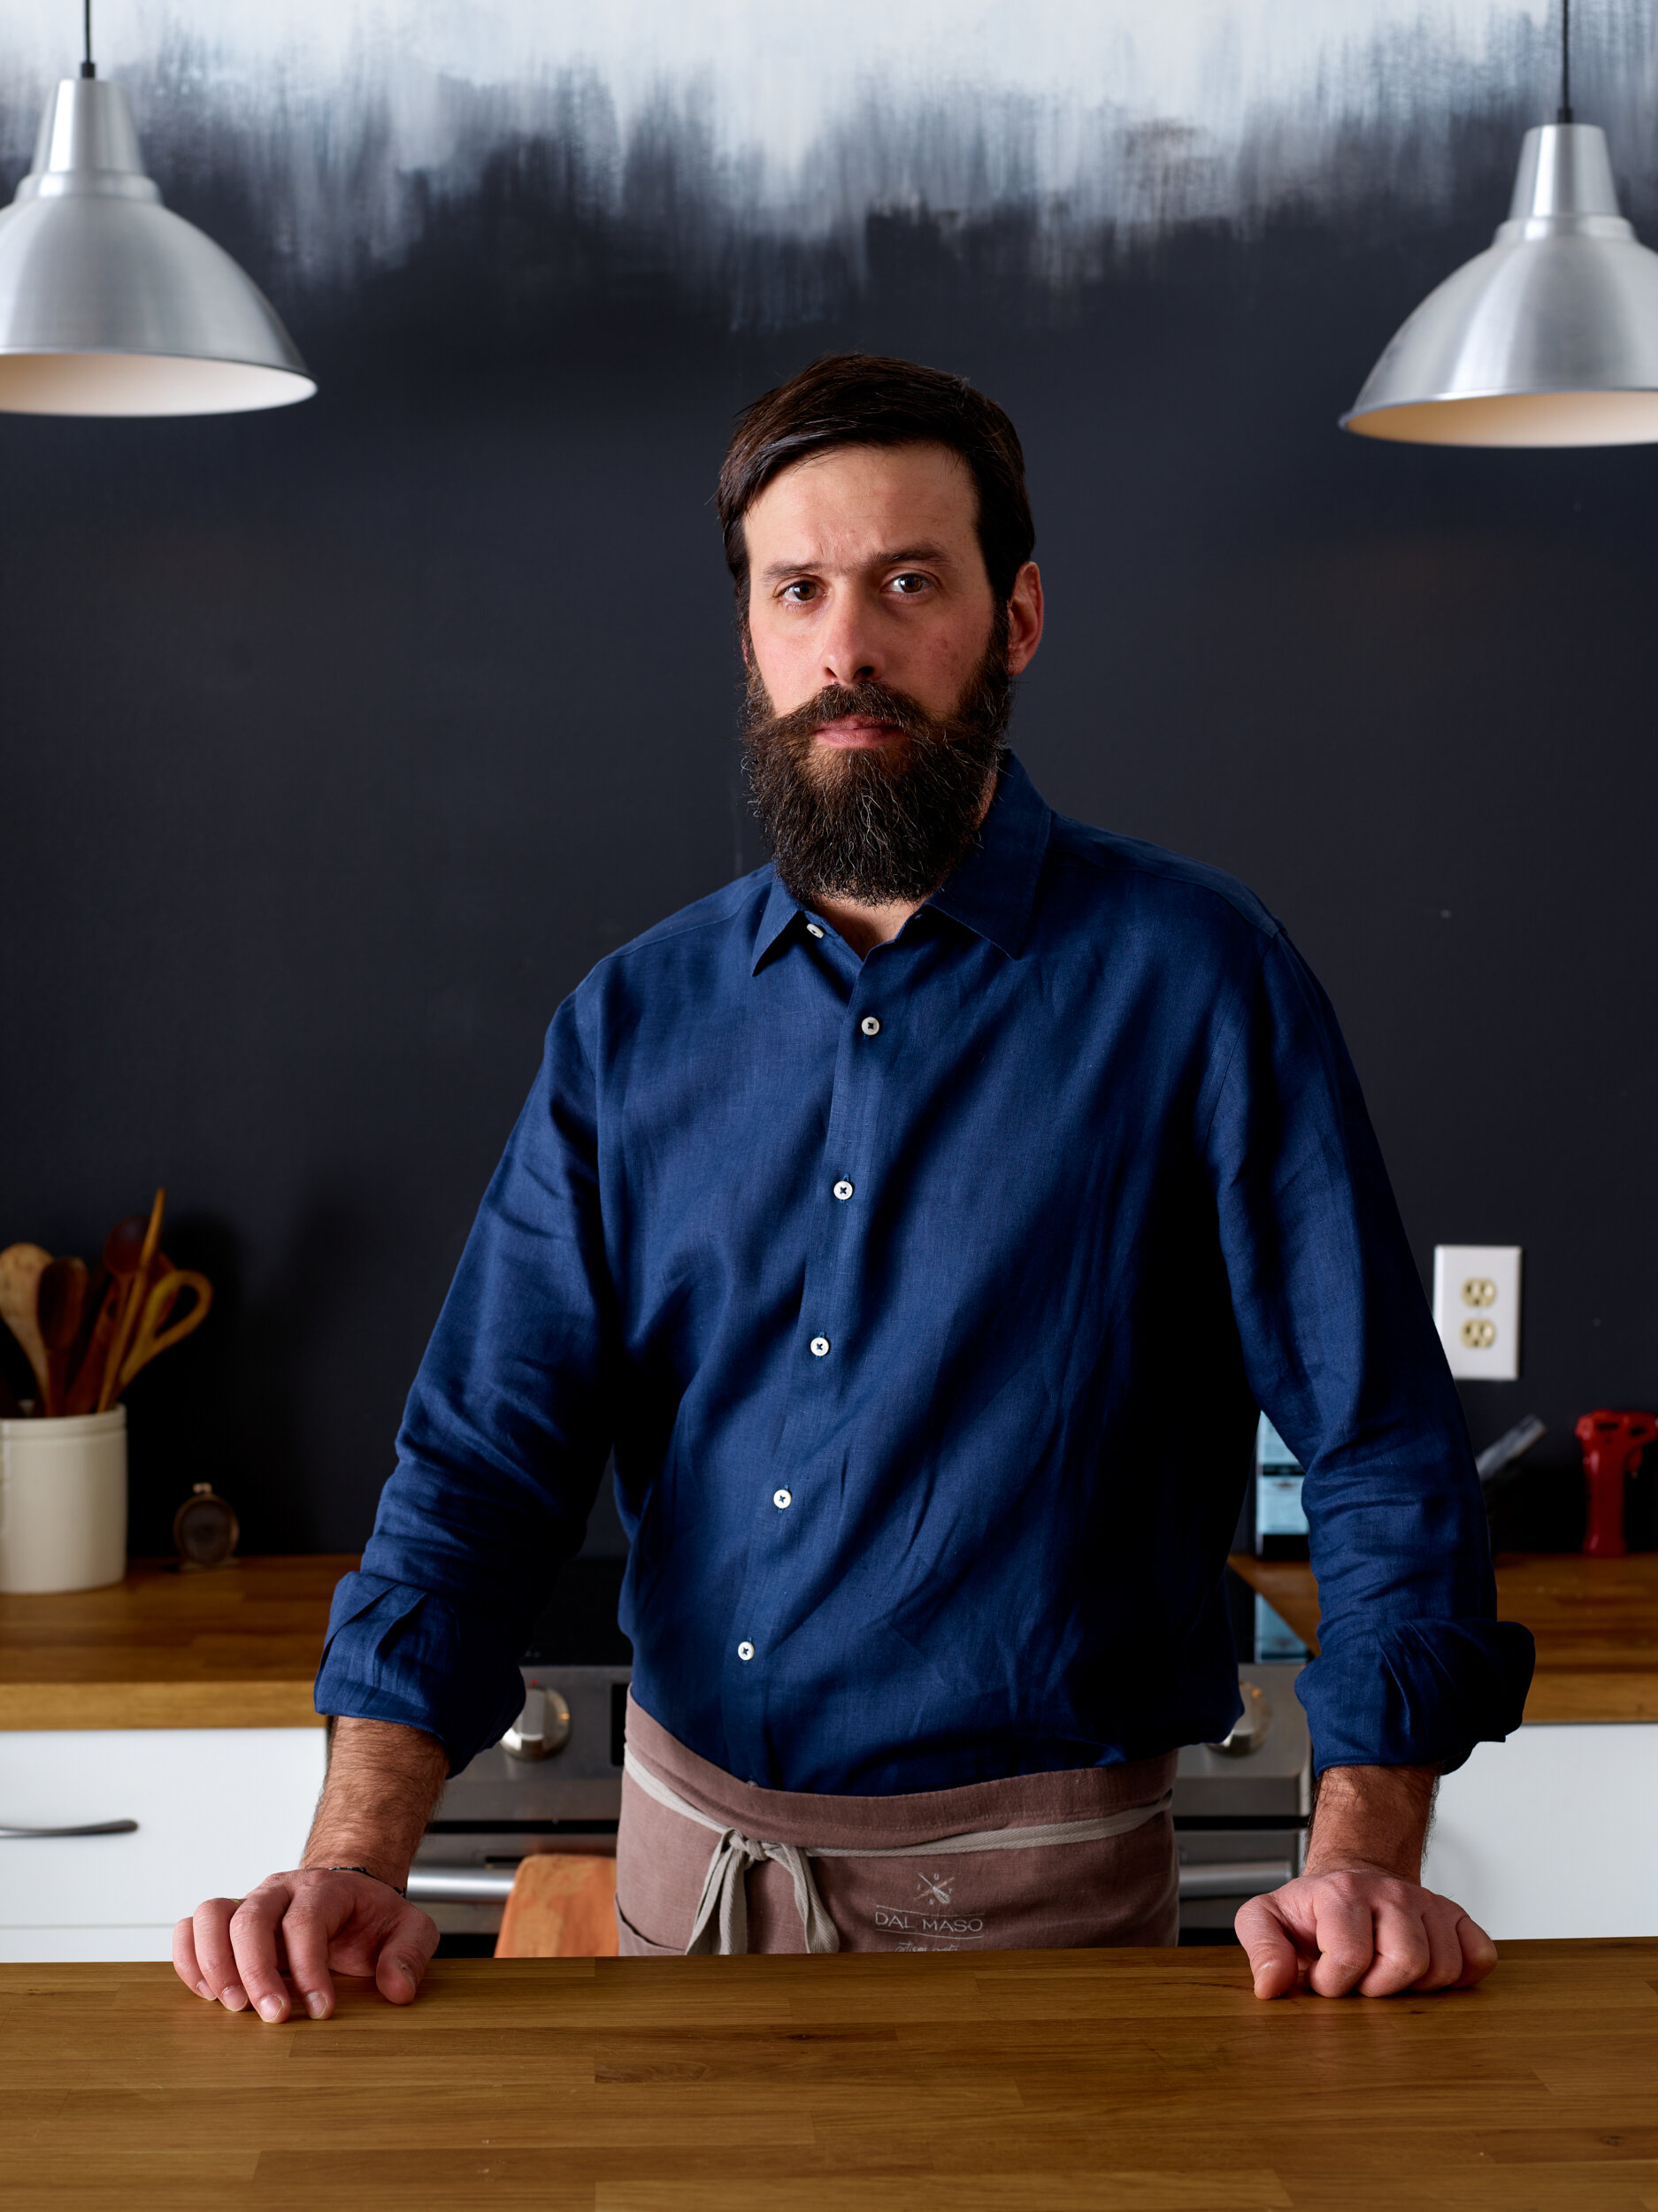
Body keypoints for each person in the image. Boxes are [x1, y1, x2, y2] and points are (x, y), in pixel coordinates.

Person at [175, 354, 1533, 2023]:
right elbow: (480, 1463)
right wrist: (353, 1859)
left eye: (909, 582)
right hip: (687, 1876)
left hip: (1045, 1918)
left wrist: (1367, 1861)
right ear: (748, 633)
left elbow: (1380, 1443)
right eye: (798, 588)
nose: (849, 646)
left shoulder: (1199, 979)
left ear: (1014, 618)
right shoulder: (629, 1022)